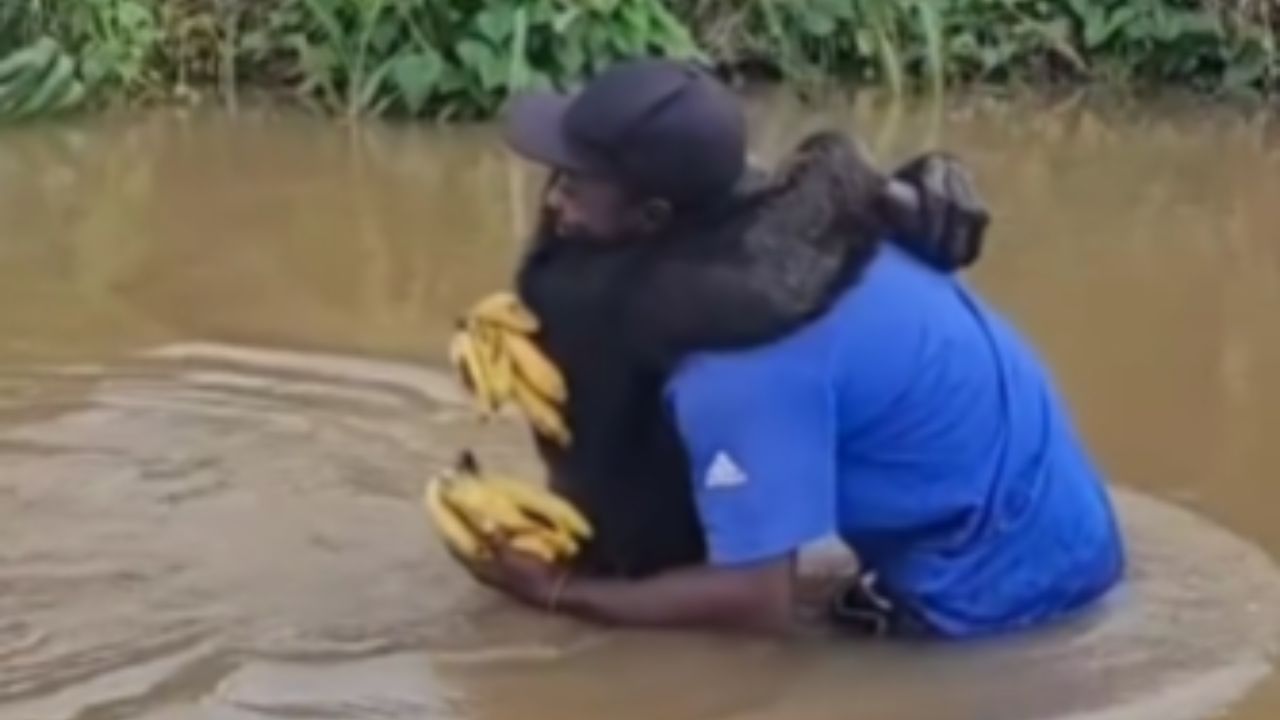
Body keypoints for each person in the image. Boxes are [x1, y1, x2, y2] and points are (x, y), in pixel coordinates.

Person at [458, 58, 1126, 639]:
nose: (556, 204)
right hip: (1049, 516)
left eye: (577, 184)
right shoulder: (802, 227)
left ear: (654, 219)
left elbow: (755, 607)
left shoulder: (733, 360)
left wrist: (552, 592)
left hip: (1004, 600)